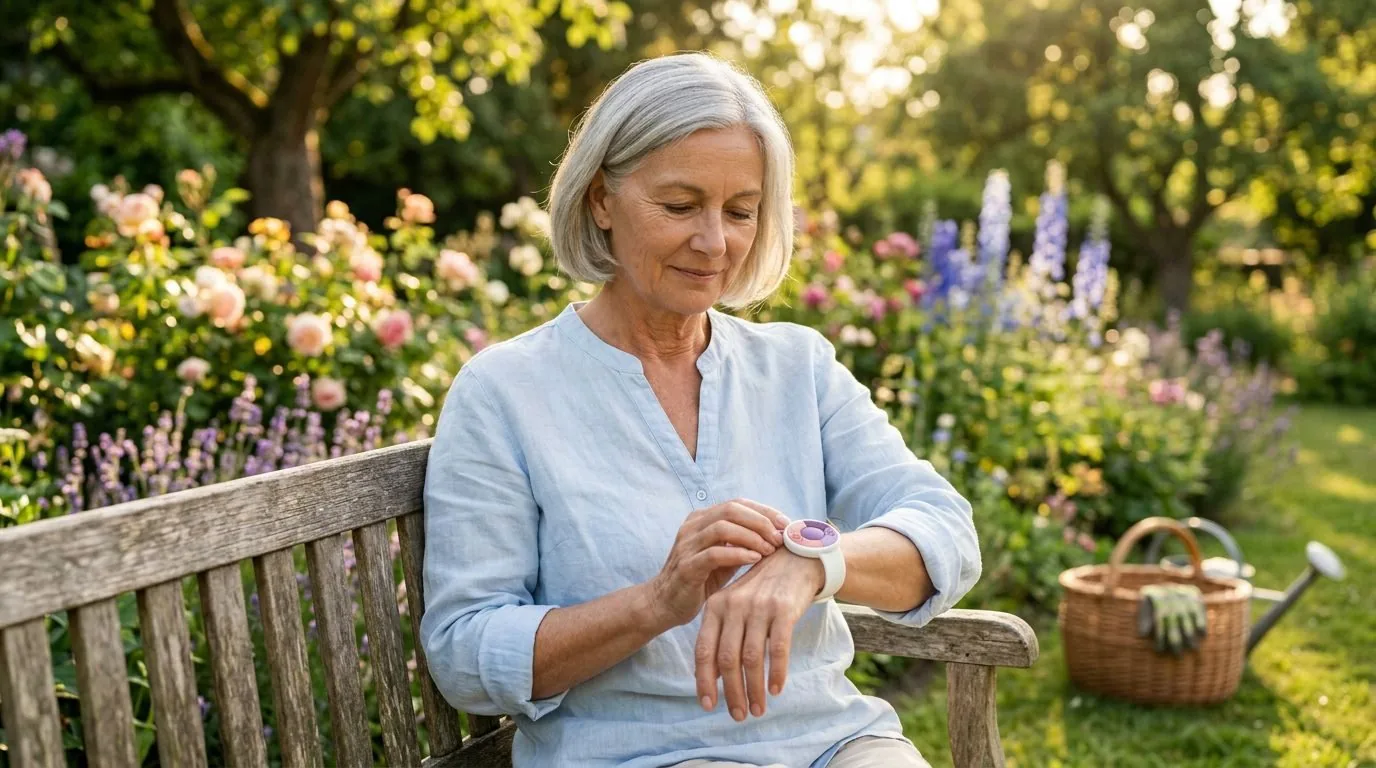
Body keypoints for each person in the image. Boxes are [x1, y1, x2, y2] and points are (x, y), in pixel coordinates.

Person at [420, 52, 981, 768]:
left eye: (740, 212)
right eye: (680, 206)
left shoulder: (796, 366)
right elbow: (465, 654)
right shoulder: (505, 392)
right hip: (635, 755)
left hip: (833, 744)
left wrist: (813, 565)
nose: (715, 242)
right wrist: (656, 602)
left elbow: (944, 530)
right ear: (600, 200)